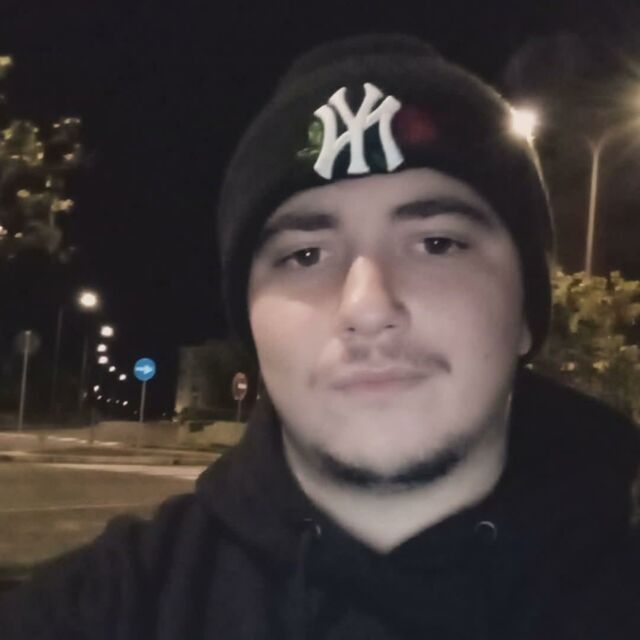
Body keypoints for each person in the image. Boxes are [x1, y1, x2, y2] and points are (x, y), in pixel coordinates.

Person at [1, 33, 639, 639]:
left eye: (437, 243)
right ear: (251, 323)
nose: (367, 306)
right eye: (304, 256)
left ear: (527, 307)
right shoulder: (108, 609)